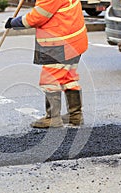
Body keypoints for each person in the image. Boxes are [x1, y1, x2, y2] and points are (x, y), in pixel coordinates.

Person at [5, 0, 88, 128]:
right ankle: (75, 115)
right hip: (74, 40)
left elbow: (37, 17)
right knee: (68, 78)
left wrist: (15, 22)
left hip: (60, 44)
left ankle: (53, 118)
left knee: (50, 81)